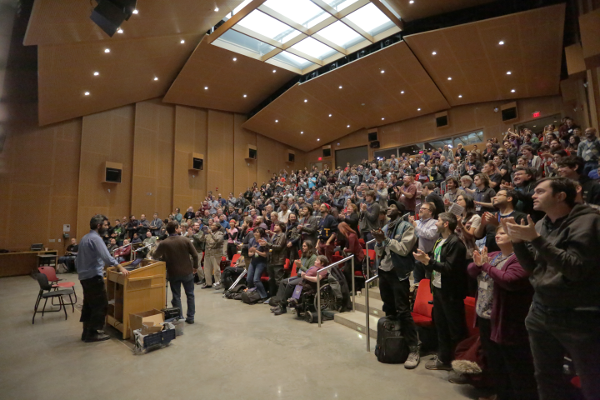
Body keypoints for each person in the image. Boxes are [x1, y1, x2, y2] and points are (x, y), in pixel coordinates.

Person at [503, 177, 600, 400]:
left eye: (539, 191)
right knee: (546, 376)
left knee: (592, 381)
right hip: (541, 311)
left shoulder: (589, 222)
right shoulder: (540, 224)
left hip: (578, 316)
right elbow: (533, 268)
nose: (533, 195)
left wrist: (536, 240)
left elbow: (575, 268)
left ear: (560, 196)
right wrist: (518, 242)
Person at [468, 226, 538, 400]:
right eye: (497, 233)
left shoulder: (521, 259)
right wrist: (479, 265)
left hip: (506, 320)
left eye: (503, 233)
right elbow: (471, 270)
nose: (497, 235)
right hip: (485, 316)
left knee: (513, 366)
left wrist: (484, 266)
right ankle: (501, 395)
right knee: (495, 362)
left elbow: (509, 280)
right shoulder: (493, 255)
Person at [413, 212, 469, 371]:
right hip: (437, 289)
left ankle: (459, 364)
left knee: (455, 329)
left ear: (446, 224)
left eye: (438, 220)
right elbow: (435, 264)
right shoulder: (439, 241)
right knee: (441, 326)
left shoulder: (456, 243)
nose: (436, 222)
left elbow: (449, 269)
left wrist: (429, 261)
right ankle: (444, 359)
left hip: (451, 293)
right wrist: (425, 260)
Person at [373, 200, 420, 369]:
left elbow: (403, 249)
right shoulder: (386, 227)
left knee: (403, 310)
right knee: (389, 308)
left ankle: (414, 349)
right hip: (384, 271)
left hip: (399, 274)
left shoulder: (407, 227)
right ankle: (392, 345)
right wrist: (379, 242)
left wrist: (385, 240)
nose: (388, 209)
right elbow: (379, 252)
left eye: (392, 207)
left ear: (399, 211)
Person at [77, 215, 130, 342]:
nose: (108, 227)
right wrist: (120, 268)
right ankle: (94, 332)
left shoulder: (85, 238)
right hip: (93, 276)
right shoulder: (96, 239)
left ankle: (86, 332)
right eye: (106, 225)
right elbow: (107, 257)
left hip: (84, 276)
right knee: (100, 305)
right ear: (99, 226)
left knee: (89, 305)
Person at [153, 221, 199, 324]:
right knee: (190, 295)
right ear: (175, 229)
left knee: (176, 296)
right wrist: (195, 267)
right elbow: (195, 255)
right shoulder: (185, 240)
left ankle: (180, 318)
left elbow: (155, 256)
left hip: (173, 273)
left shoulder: (164, 243)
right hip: (187, 272)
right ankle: (190, 317)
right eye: (178, 227)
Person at [270, 240, 317, 315]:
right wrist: (298, 266)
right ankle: (279, 303)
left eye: (305, 246)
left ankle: (283, 306)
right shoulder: (303, 255)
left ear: (309, 247)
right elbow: (298, 269)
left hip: (305, 278)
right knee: (283, 281)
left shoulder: (313, 257)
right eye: (303, 246)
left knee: (290, 284)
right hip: (299, 275)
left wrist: (300, 266)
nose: (303, 247)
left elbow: (310, 272)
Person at [410, 202, 438, 285]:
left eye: (423, 208)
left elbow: (429, 235)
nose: (420, 209)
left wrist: (415, 227)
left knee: (430, 282)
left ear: (430, 212)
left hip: (428, 256)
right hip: (416, 256)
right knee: (417, 282)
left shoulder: (435, 222)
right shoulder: (417, 222)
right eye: (420, 208)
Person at [336, 221, 364, 292]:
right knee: (345, 270)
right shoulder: (348, 236)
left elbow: (352, 249)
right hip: (352, 257)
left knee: (347, 271)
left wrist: (345, 250)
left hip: (357, 258)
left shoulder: (352, 236)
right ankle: (350, 288)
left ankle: (354, 288)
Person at [263, 222, 287, 298]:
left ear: (281, 227)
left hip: (278, 261)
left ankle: (280, 297)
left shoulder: (283, 235)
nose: (275, 226)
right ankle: (272, 296)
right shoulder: (273, 235)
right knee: (271, 280)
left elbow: (279, 247)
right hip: (271, 260)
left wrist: (267, 244)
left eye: (277, 225)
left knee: (278, 281)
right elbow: (270, 246)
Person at [197, 222, 224, 289]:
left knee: (216, 269)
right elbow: (201, 240)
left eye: (213, 225)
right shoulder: (207, 234)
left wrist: (211, 233)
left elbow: (218, 240)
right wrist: (204, 233)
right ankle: (208, 283)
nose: (211, 226)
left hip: (216, 253)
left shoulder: (220, 233)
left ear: (217, 227)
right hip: (208, 253)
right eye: (211, 225)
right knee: (207, 269)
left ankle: (218, 283)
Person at [247, 227, 269, 301]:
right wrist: (252, 252)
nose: (255, 233)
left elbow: (265, 255)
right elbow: (249, 254)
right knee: (249, 278)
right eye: (254, 232)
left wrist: (256, 251)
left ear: (261, 234)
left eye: (257, 232)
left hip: (261, 262)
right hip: (253, 261)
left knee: (256, 279)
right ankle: (254, 293)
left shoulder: (263, 241)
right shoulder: (251, 240)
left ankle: (264, 295)